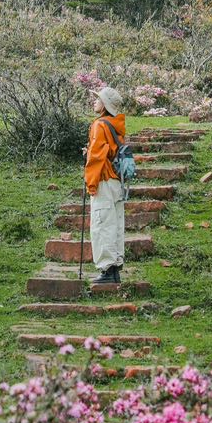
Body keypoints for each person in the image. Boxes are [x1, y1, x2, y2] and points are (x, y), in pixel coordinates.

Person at [83, 85, 126, 287]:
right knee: (115, 224)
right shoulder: (115, 124)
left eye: (98, 99)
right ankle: (115, 268)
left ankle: (107, 269)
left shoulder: (99, 125)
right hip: (116, 181)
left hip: (103, 180)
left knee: (102, 225)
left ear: (105, 105)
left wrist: (91, 184)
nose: (94, 101)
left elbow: (96, 158)